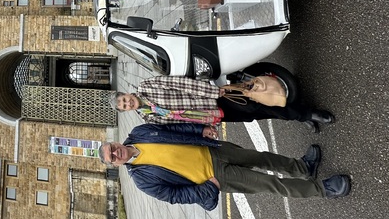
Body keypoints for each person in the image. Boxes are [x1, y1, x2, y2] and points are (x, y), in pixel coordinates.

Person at [99, 123, 351, 211]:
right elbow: (175, 196)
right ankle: (323, 189)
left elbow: (173, 129)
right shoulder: (142, 181)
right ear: (115, 163)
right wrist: (208, 189)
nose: (116, 152)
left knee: (262, 158)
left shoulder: (139, 132)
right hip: (216, 176)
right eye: (113, 157)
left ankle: (303, 168)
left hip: (214, 150)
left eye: (112, 147)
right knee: (269, 183)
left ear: (114, 141)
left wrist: (200, 130)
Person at [110, 75, 335, 132]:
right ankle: (299, 116)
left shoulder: (147, 86)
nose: (127, 103)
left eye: (123, 99)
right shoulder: (147, 116)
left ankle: (308, 114)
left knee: (259, 105)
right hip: (211, 116)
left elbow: (180, 84)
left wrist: (212, 90)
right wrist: (206, 128)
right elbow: (177, 123)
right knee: (256, 115)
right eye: (123, 106)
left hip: (213, 98)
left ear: (127, 93)